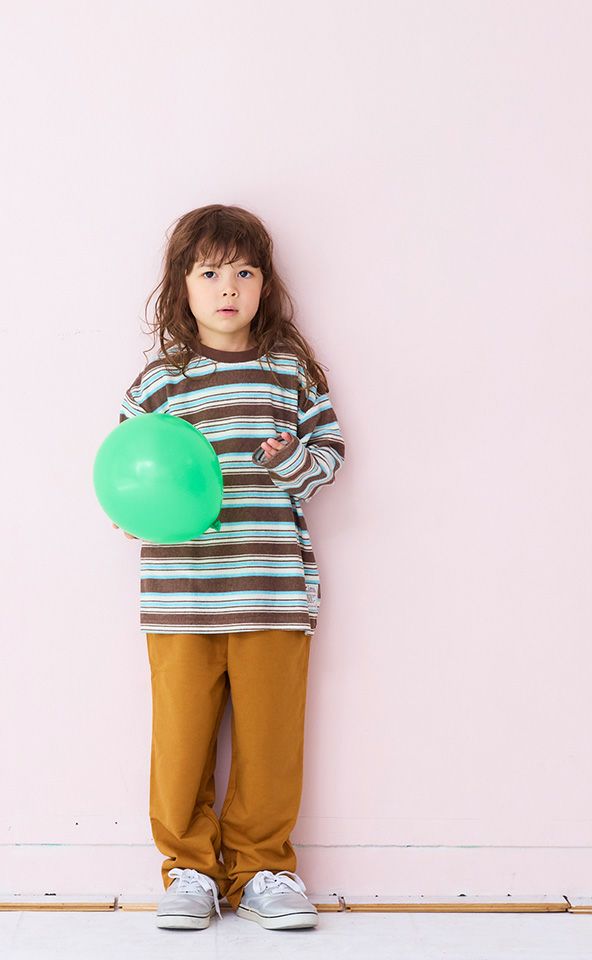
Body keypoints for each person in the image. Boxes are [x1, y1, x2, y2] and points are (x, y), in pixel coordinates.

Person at [115, 203, 345, 932]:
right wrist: (133, 511)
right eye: (210, 272)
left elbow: (329, 458)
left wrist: (291, 460)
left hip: (272, 590)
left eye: (244, 272)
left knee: (271, 742)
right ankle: (188, 869)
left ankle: (264, 868)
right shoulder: (162, 382)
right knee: (180, 740)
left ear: (264, 284)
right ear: (181, 285)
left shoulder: (290, 374)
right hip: (181, 596)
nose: (228, 288)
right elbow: (126, 470)